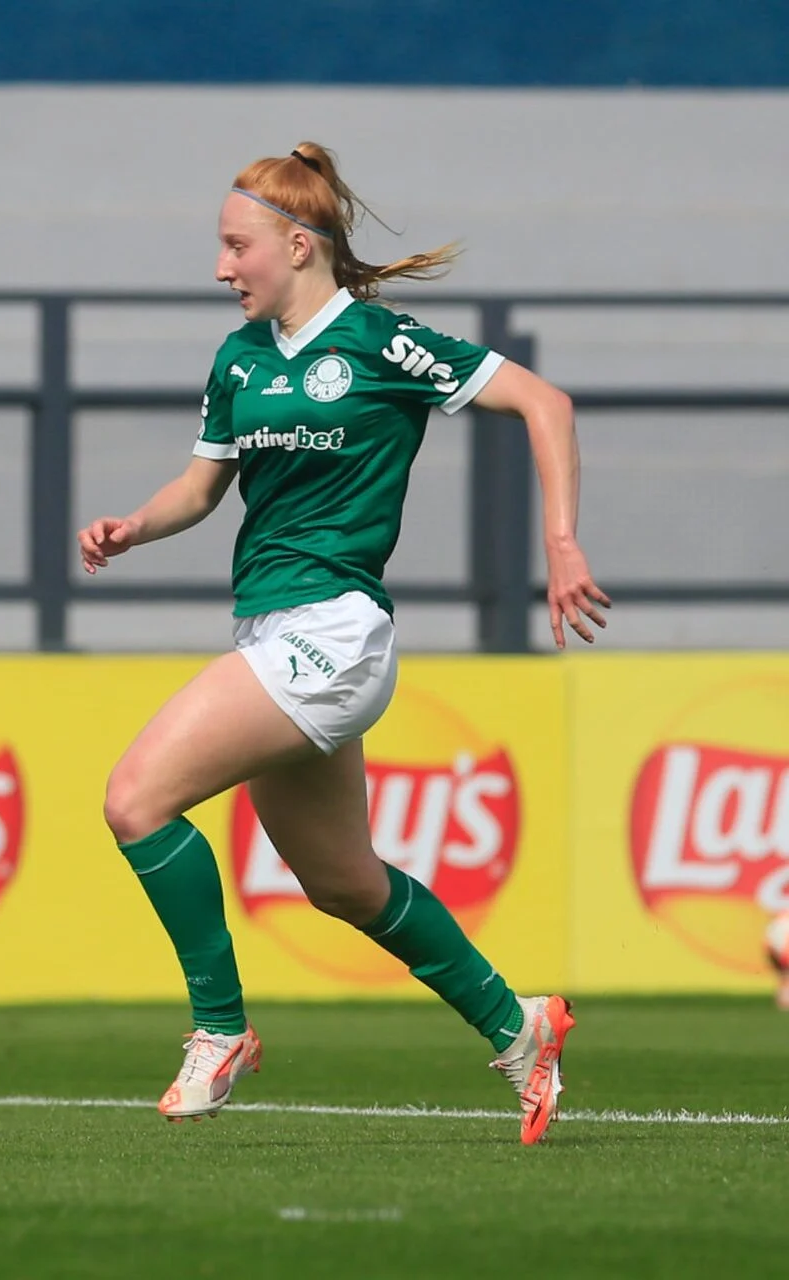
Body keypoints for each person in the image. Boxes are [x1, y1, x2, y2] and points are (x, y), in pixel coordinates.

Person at [78, 143, 610, 1146]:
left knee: (134, 798)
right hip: (273, 630)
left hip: (334, 634)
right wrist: (129, 526)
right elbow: (199, 490)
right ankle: (518, 1023)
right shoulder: (237, 359)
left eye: (235, 247)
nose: (220, 268)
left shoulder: (377, 342)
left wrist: (560, 540)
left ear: (296, 243)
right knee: (342, 882)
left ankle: (219, 1028)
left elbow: (545, 403)